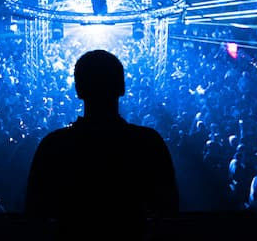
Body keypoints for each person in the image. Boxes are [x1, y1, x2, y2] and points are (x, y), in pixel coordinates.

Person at [25, 49, 178, 225]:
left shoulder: (54, 145)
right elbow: (168, 209)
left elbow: (35, 212)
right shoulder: (148, 143)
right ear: (122, 88)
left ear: (78, 90)